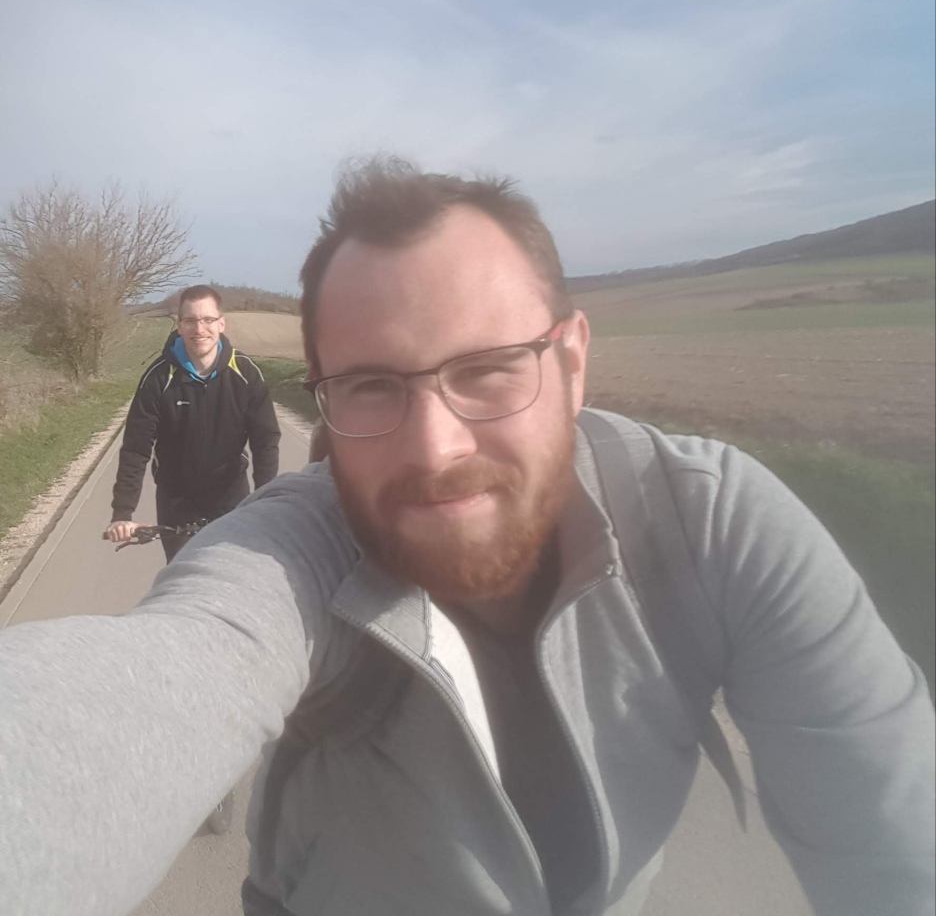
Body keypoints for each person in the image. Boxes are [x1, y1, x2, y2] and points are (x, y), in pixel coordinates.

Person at [1, 159, 933, 916]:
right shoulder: (291, 546)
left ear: (573, 361)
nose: (436, 448)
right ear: (324, 395)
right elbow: (175, 660)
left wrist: (257, 480)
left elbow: (896, 829)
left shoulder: (714, 524)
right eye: (372, 385)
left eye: (487, 369)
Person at [103, 284, 281, 559]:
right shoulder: (157, 379)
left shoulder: (246, 374)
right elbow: (136, 448)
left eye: (208, 320)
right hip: (176, 502)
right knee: (184, 577)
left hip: (231, 496)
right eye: (190, 321)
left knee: (233, 574)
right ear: (179, 326)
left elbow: (265, 441)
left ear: (221, 324)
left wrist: (265, 501)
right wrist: (122, 513)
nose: (199, 329)